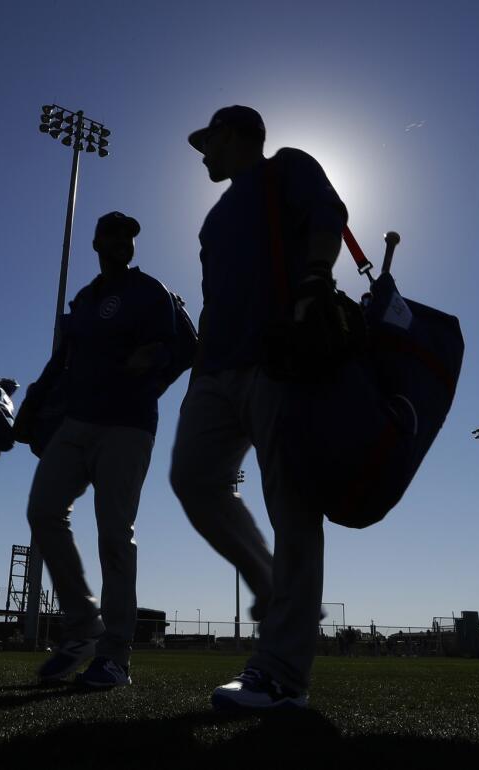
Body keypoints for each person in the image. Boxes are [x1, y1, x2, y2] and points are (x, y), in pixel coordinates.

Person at [170, 105, 348, 710]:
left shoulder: (286, 167)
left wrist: (315, 279)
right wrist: (199, 366)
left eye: (209, 140)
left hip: (279, 358)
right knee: (193, 478)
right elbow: (215, 296)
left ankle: (282, 673)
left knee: (292, 507)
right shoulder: (214, 216)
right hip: (214, 371)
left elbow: (328, 215)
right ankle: (270, 584)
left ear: (237, 134)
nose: (202, 153)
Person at [30, 212, 189, 688]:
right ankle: (82, 624)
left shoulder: (150, 291)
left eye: (130, 236)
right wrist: (33, 406)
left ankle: (115, 655)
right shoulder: (83, 299)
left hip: (128, 424)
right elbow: (62, 361)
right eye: (114, 234)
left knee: (114, 533)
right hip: (77, 422)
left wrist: (151, 363)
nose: (123, 241)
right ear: (98, 242)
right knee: (43, 511)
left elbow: (178, 347)